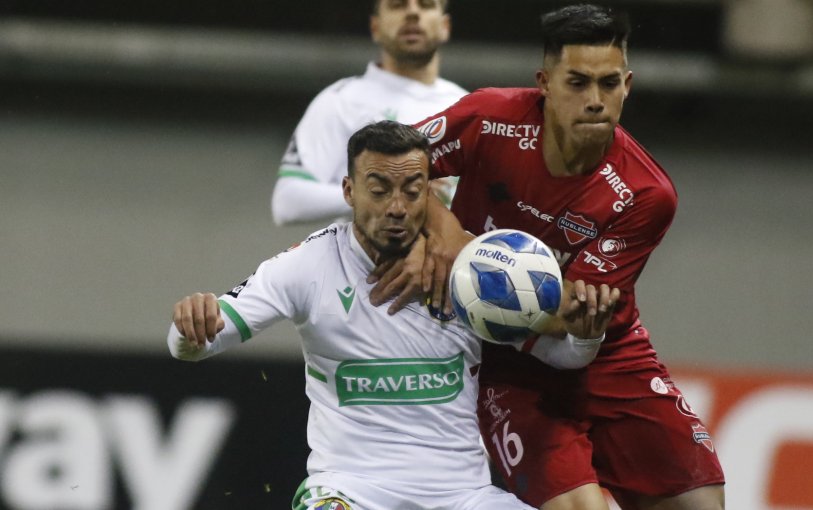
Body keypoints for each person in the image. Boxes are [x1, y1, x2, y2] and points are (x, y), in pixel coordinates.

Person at [370, 5, 727, 510]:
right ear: (545, 82)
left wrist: (466, 254)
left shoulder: (646, 194)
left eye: (609, 84)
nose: (595, 101)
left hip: (607, 356)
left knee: (701, 504)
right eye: (577, 83)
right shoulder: (488, 118)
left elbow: (560, 316)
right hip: (504, 360)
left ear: (628, 85)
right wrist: (440, 228)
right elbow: (385, 162)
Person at [168, 121, 621, 510]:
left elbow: (562, 356)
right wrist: (191, 327)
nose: (397, 207)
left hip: (461, 496)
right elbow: (193, 343)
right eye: (379, 190)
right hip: (352, 492)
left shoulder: (473, 272)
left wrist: (586, 336)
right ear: (349, 191)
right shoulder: (308, 265)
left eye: (412, 190)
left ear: (431, 192)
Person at [272, 0, 466, 225]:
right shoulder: (342, 100)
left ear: (445, 26)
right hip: (364, 260)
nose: (413, 12)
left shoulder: (467, 106)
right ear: (375, 28)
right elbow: (287, 202)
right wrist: (383, 191)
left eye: (425, 5)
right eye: (398, 5)